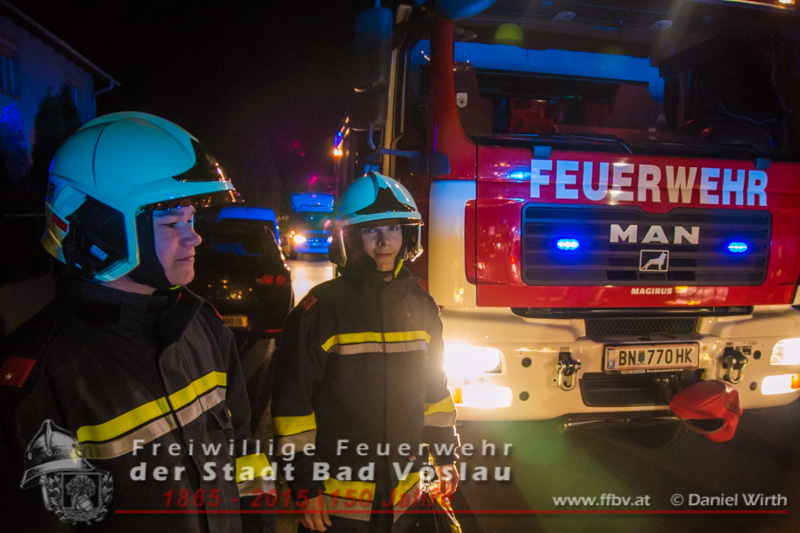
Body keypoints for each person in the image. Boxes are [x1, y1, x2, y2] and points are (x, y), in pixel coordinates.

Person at [0, 112, 275, 532]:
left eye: (190, 219)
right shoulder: (40, 383)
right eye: (171, 223)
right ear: (104, 230)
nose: (194, 236)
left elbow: (243, 452)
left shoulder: (203, 327)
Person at [271, 172, 460, 532]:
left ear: (408, 235)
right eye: (371, 230)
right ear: (350, 238)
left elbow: (435, 393)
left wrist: (445, 456)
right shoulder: (319, 311)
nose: (384, 240)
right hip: (337, 507)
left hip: (405, 499)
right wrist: (304, 486)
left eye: (393, 228)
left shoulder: (422, 307)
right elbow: (293, 408)